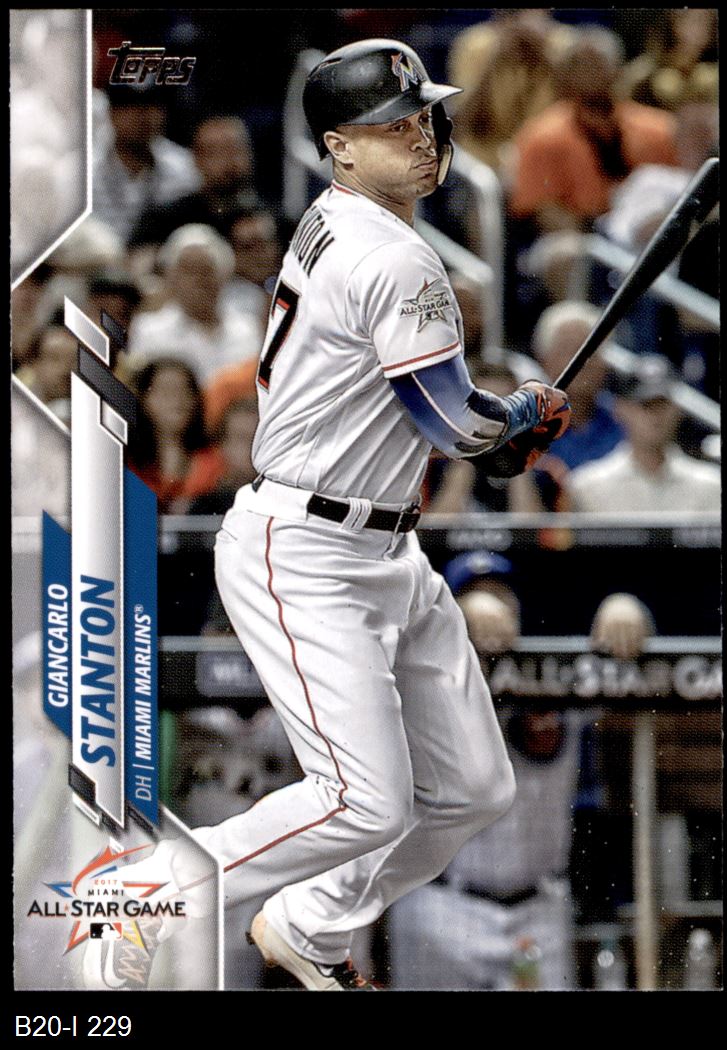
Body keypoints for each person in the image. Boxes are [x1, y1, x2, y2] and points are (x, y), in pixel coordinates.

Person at [85, 38, 571, 993]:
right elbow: (450, 423)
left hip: (384, 545)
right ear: (339, 148)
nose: (420, 138)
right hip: (307, 546)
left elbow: (442, 422)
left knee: (473, 787)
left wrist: (503, 427)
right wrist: (516, 417)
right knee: (364, 801)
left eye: (422, 117)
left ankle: (310, 921)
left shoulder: (338, 218)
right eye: (390, 126)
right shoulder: (393, 256)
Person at [508, 27, 677, 232]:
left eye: (598, 63)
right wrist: (599, 239)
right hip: (579, 234)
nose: (590, 73)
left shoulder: (660, 130)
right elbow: (543, 209)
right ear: (566, 74)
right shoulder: (542, 136)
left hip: (649, 232)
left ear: (619, 69)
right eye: (580, 65)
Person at [567, 355, 720, 513]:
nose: (655, 416)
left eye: (661, 404)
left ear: (676, 409)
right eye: (645, 405)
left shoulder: (711, 486)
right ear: (622, 410)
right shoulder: (587, 488)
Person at [126, 224, 263, 382]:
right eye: (189, 271)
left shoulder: (248, 331)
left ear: (223, 276)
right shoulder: (149, 330)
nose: (198, 280)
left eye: (206, 271)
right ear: (171, 278)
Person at [129, 116, 260, 250]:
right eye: (216, 152)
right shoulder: (166, 220)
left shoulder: (267, 220)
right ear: (196, 159)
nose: (229, 162)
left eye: (236, 150)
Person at [92, 85, 200, 244]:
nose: (142, 115)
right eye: (130, 106)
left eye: (151, 105)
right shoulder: (85, 170)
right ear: (111, 113)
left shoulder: (184, 168)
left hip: (159, 255)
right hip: (95, 256)